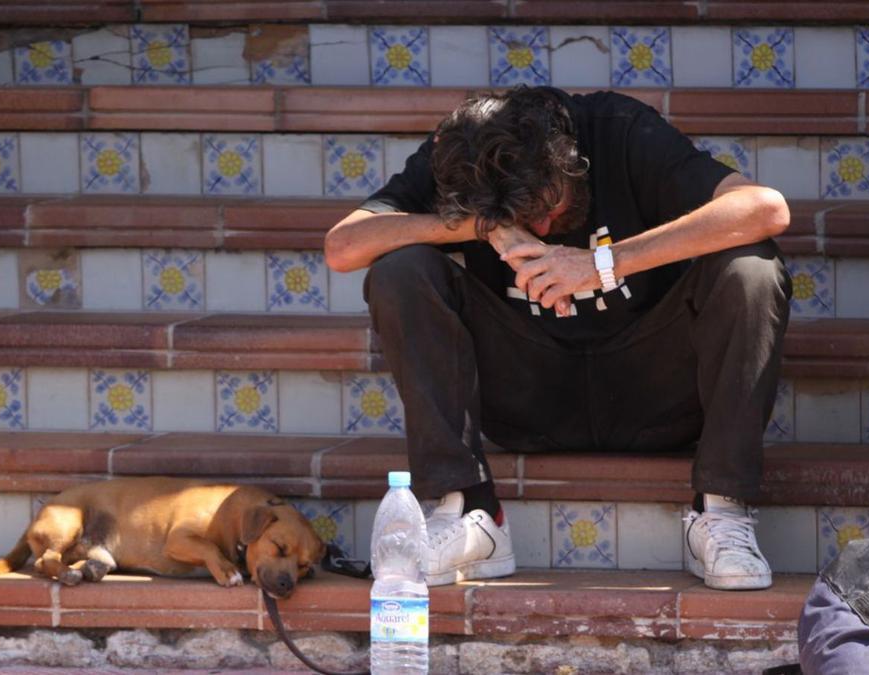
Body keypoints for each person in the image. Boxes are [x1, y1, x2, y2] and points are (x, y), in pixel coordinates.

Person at [324, 86, 792, 591]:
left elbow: (765, 210)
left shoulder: (620, 130)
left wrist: (601, 265)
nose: (542, 228)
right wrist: (478, 228)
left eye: (547, 205)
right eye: (521, 219)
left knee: (752, 268)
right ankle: (469, 511)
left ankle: (720, 512)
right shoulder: (461, 152)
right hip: (528, 397)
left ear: (573, 159)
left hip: (656, 392)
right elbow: (343, 245)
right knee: (399, 271)